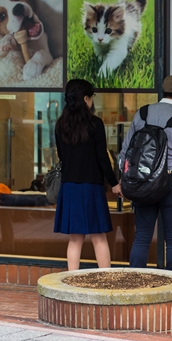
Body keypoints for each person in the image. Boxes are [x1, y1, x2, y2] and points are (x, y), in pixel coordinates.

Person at [116, 75, 172, 271]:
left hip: (143, 180)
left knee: (142, 236)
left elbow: (125, 153)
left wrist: (128, 179)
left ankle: (135, 284)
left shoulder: (142, 113)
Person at [54, 79, 120, 271]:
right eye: (91, 97)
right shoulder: (95, 124)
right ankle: (105, 279)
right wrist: (114, 182)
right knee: (99, 237)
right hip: (91, 186)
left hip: (70, 186)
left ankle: (72, 280)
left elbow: (61, 156)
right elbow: (102, 158)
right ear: (86, 99)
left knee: (75, 239)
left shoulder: (60, 125)